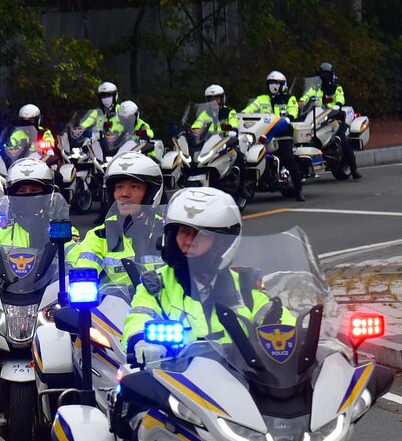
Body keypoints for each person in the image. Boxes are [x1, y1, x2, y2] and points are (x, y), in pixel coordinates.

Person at [121, 187, 277, 366]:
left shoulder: (245, 286)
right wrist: (141, 340)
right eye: (183, 232)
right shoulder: (155, 286)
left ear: (222, 243)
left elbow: (278, 322)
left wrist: (294, 335)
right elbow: (138, 317)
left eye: (201, 235)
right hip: (177, 377)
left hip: (239, 377)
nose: (189, 242)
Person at [68, 153, 165, 291]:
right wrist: (82, 281)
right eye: (119, 187)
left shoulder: (167, 232)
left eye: (134, 187)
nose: (124, 194)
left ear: (151, 193)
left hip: (163, 303)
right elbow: (84, 270)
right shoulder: (100, 236)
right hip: (114, 304)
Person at [0, 157, 75, 262]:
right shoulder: (2, 231)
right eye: (22, 191)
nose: (28, 197)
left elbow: (74, 251)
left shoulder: (60, 229)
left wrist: (79, 264)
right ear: (12, 196)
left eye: (35, 190)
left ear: (47, 194)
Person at [241, 71, 304, 201]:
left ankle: (298, 190)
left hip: (282, 134)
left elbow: (293, 110)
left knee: (289, 158)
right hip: (263, 133)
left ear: (283, 85)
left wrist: (288, 117)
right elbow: (249, 109)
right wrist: (242, 115)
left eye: (276, 83)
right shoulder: (262, 98)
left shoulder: (289, 98)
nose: (273, 86)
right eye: (270, 83)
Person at [300, 63, 360, 179]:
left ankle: (354, 168)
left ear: (331, 75)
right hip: (318, 117)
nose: (324, 76)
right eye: (322, 74)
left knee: (342, 138)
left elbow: (340, 98)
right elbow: (306, 96)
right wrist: (301, 103)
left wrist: (337, 105)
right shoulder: (315, 89)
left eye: (326, 74)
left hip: (335, 118)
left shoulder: (336, 88)